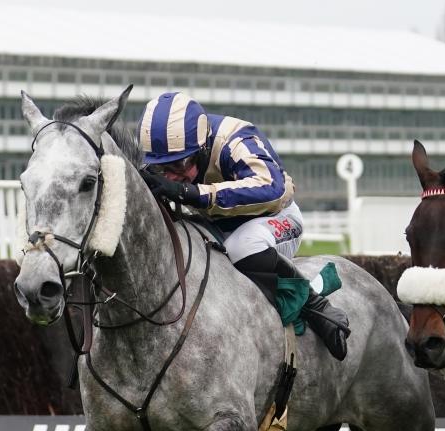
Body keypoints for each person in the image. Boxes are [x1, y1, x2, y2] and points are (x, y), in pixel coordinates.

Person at [137, 91, 350, 359]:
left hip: (275, 218)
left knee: (242, 246)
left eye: (179, 165)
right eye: (162, 169)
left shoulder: (237, 140)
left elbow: (271, 189)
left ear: (202, 149)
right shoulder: (173, 153)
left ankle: (315, 305)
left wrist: (192, 193)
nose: (171, 176)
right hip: (218, 225)